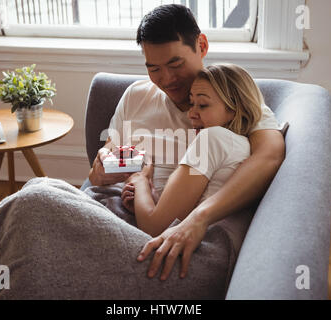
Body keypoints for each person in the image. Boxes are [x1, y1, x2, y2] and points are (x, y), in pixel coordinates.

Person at [88, 4, 285, 280]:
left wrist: (198, 218)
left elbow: (269, 157)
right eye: (154, 68)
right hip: (113, 206)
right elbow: (101, 170)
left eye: (175, 64)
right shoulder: (136, 96)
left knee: (35, 202)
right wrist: (107, 169)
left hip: (150, 228)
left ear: (201, 45)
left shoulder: (232, 106)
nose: (166, 79)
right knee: (37, 196)